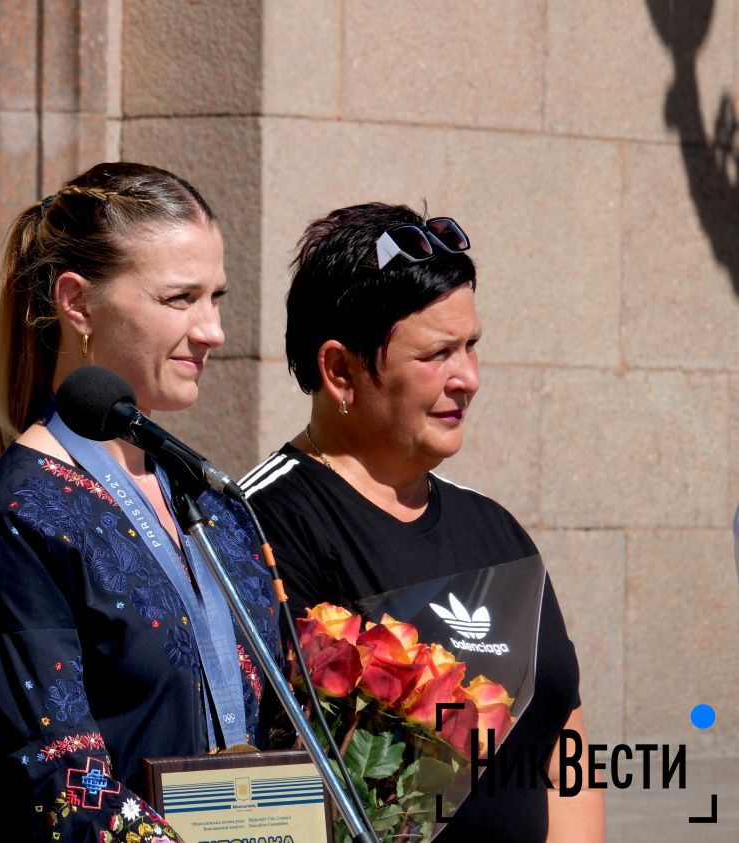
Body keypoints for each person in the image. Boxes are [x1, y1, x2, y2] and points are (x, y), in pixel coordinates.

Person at [0, 163, 283, 842]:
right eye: (180, 298)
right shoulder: (14, 518)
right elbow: (46, 773)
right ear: (78, 303)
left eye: (217, 296)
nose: (211, 329)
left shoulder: (207, 497)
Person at [242, 203, 605, 842]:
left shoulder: (495, 528)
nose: (468, 378)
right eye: (437, 354)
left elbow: (561, 729)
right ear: (341, 371)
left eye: (471, 346)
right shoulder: (259, 524)